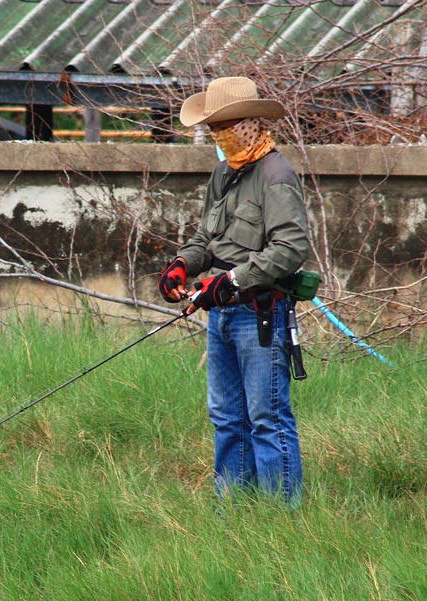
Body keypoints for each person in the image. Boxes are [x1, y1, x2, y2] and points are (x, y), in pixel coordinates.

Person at [158, 76, 311, 505]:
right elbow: (208, 238)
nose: (219, 136)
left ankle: (282, 519)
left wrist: (231, 281)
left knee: (267, 419)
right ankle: (233, 513)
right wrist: (182, 264)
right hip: (220, 314)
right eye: (214, 128)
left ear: (251, 123)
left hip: (258, 313)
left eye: (226, 125)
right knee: (226, 418)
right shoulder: (224, 171)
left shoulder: (275, 175)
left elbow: (291, 248)